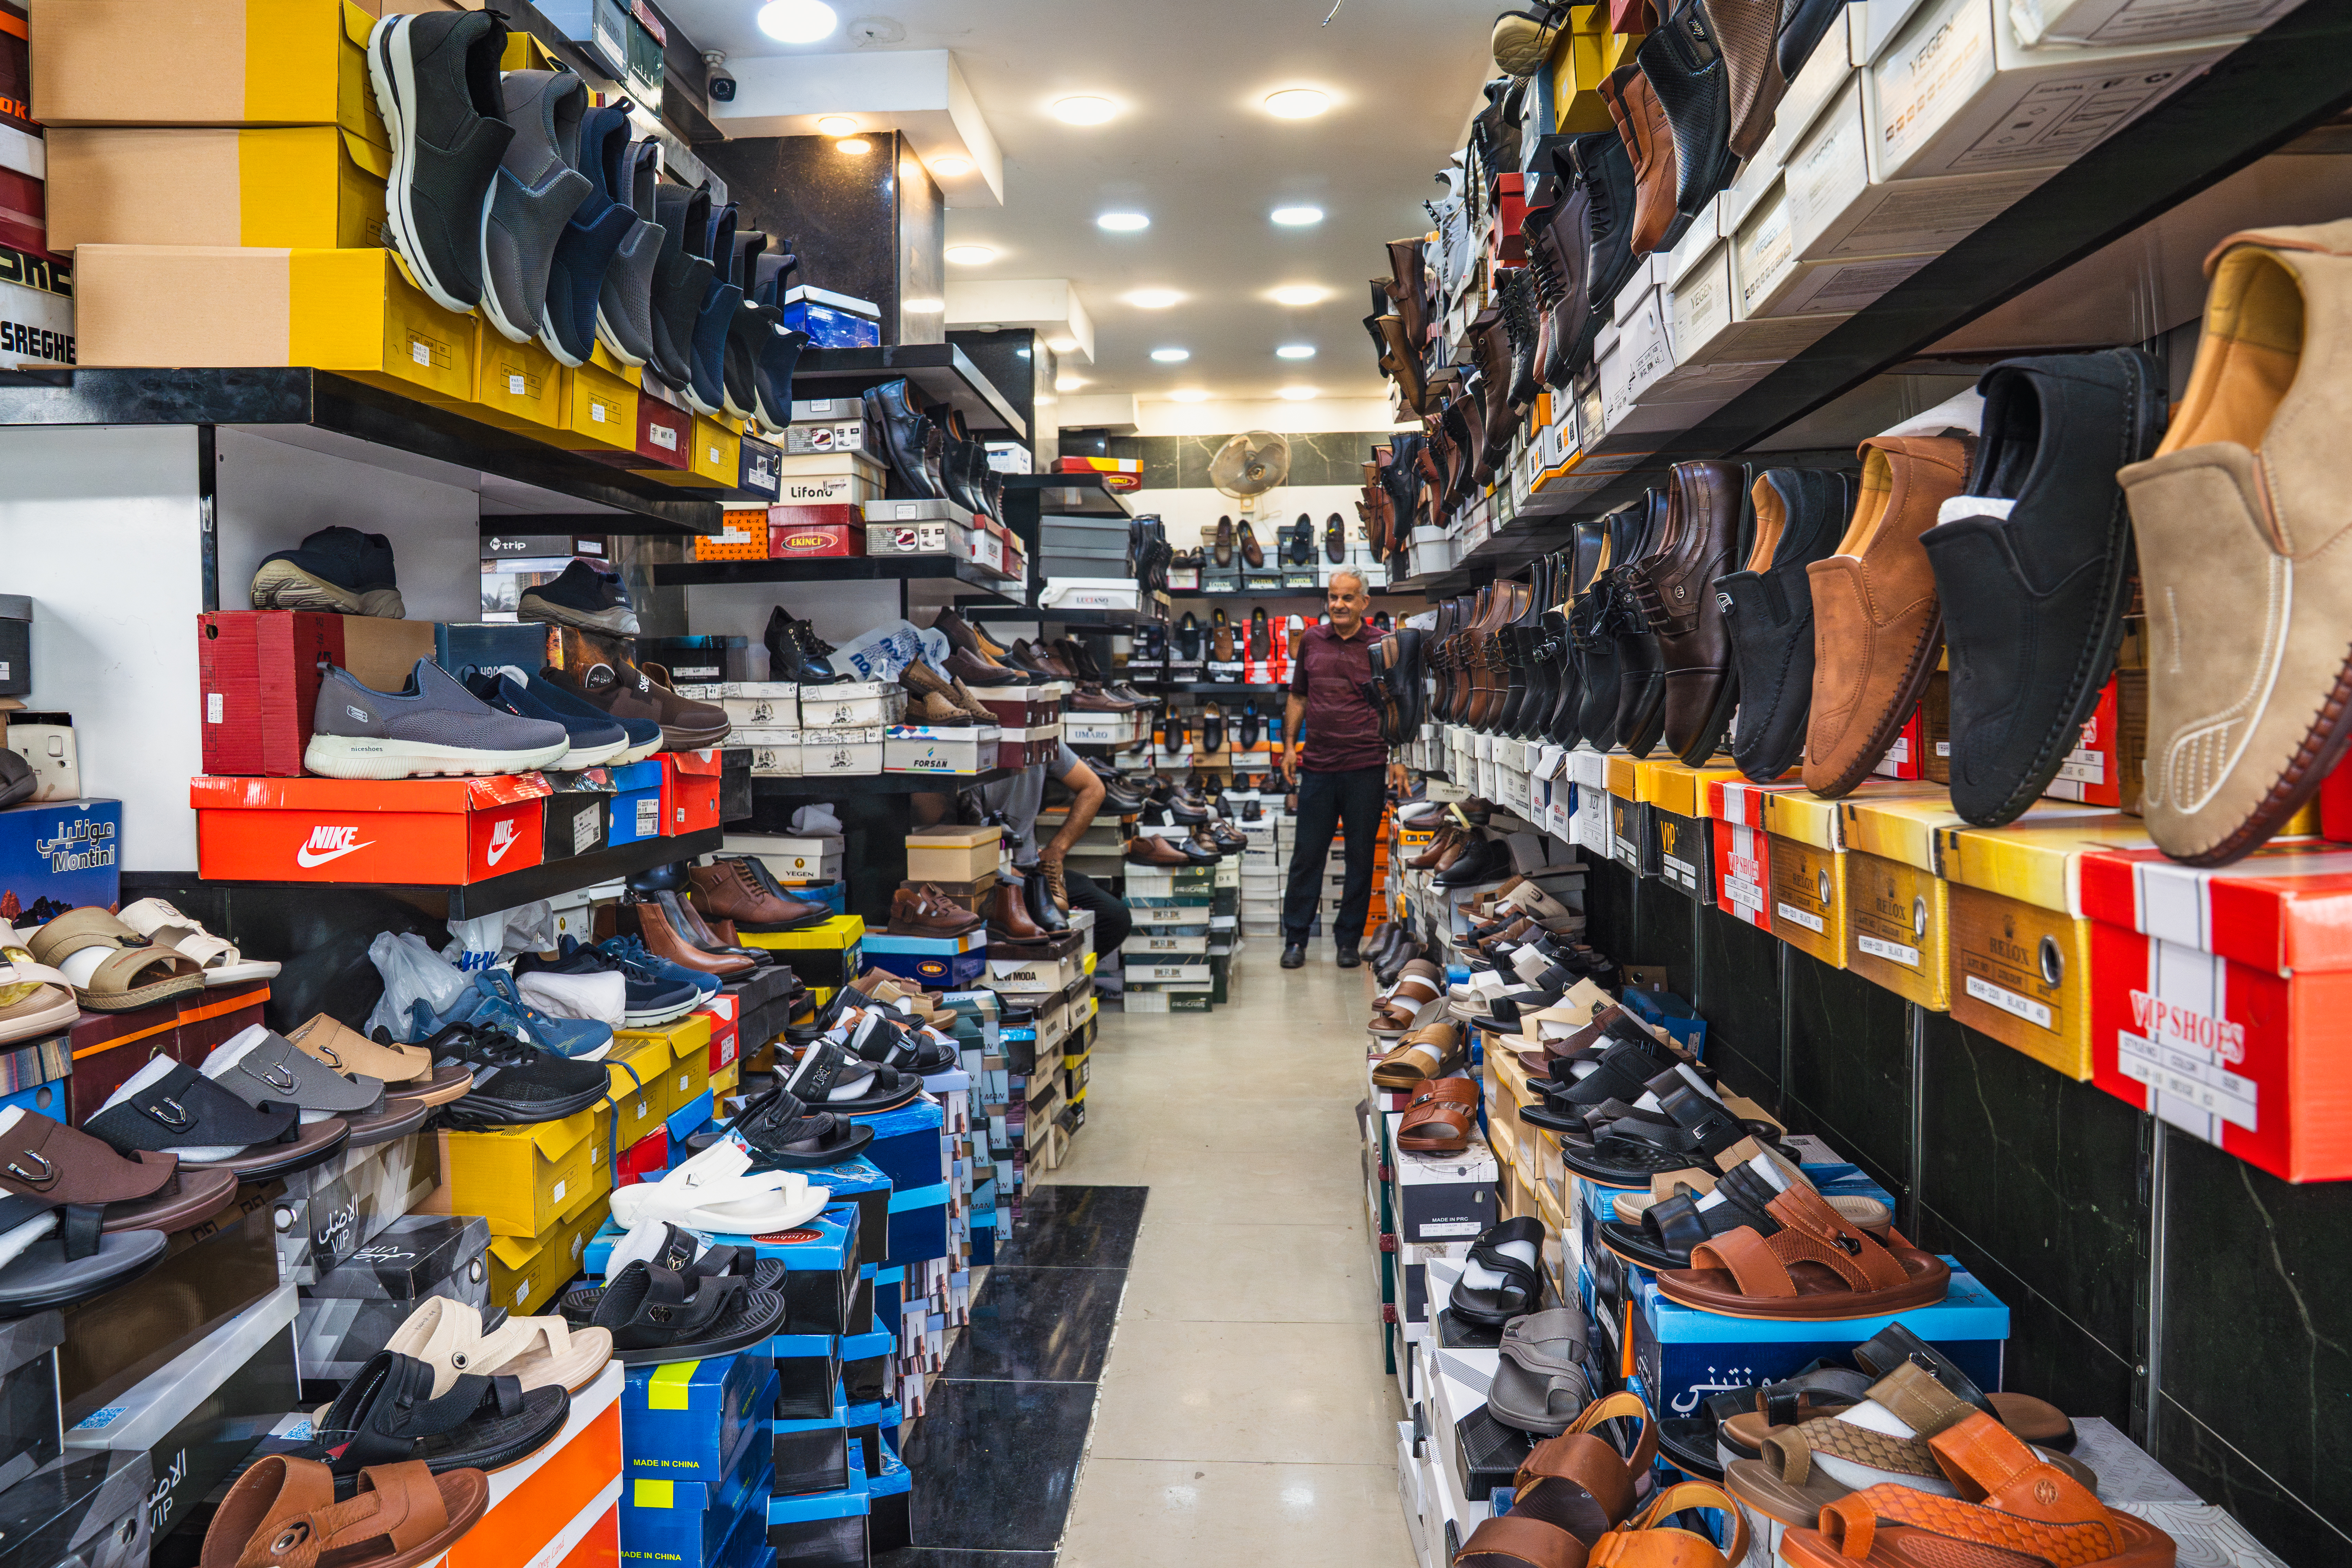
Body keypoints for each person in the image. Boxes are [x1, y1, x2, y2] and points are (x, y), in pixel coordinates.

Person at [1279, 568, 1408, 969]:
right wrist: (1288, 747)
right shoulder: (1313, 641)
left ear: (1364, 603)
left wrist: (1398, 759)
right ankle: (1296, 939)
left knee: (1360, 857)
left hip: (1366, 766)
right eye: (1333, 598)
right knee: (1307, 856)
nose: (1338, 605)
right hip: (1317, 766)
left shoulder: (1382, 645)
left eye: (1347, 598)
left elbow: (1396, 704)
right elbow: (1298, 696)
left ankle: (1348, 940)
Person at [912, 740, 1131, 958]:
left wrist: (1057, 850)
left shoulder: (1041, 739)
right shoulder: (975, 757)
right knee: (1045, 914)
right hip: (989, 876)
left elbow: (1093, 788)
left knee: (1113, 917)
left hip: (1031, 869)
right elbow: (966, 848)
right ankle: (1038, 972)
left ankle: (1064, 979)